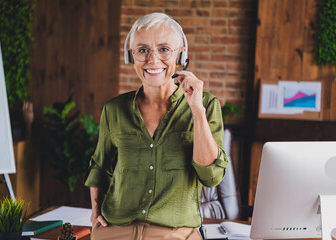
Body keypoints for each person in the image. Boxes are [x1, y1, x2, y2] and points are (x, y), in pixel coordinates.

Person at [84, 12, 229, 240]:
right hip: (115, 231)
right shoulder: (114, 109)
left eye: (163, 49)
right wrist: (95, 214)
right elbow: (100, 166)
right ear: (131, 56)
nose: (153, 60)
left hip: (174, 234)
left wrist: (197, 111)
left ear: (181, 55)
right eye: (143, 50)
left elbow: (210, 175)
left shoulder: (206, 105)